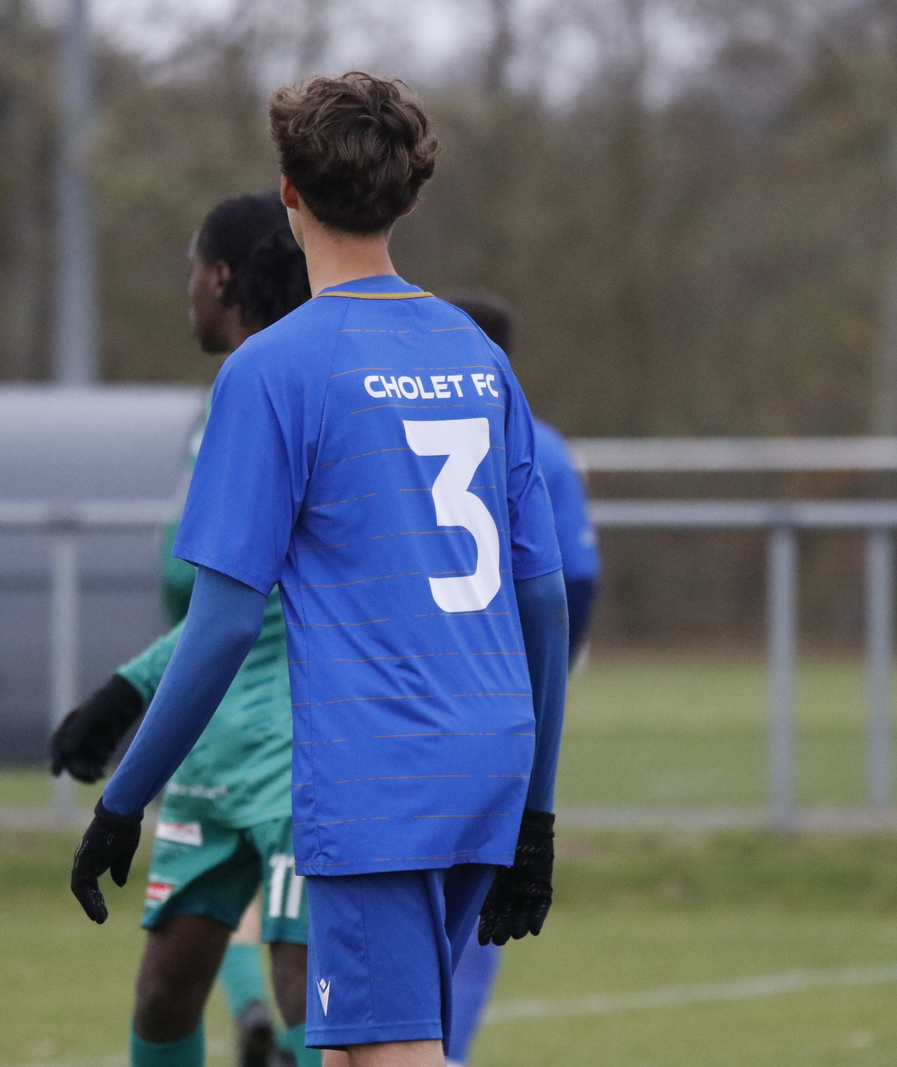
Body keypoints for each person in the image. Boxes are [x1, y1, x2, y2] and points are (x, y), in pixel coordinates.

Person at [69, 72, 570, 1067]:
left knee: (388, 1056)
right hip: (489, 757)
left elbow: (221, 623)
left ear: (289, 191)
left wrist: (124, 798)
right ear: (409, 200)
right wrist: (538, 809)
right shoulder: (475, 354)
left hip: (380, 773)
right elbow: (543, 600)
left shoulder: (273, 368)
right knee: (345, 1051)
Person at [50, 191, 320, 1067]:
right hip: (212, 742)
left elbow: (256, 601)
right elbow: (216, 599)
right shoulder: (222, 404)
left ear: (222, 277)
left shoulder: (294, 389)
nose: (188, 290)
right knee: (165, 990)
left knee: (305, 990)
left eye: (191, 270)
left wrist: (128, 692)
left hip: (300, 740)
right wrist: (125, 692)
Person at [440, 293, 599, 1067]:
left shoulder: (391, 426)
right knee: (483, 874)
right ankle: (444, 1048)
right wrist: (556, 668)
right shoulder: (541, 442)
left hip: (406, 691)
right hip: (502, 696)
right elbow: (577, 575)